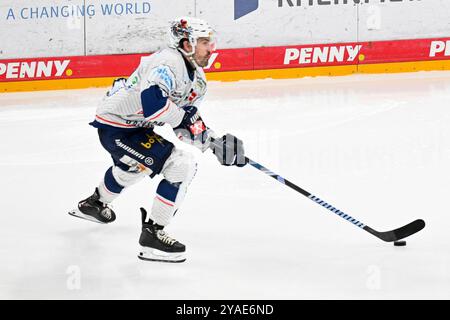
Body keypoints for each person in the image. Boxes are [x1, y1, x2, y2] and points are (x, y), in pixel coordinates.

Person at [69, 17, 246, 263]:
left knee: (134, 167)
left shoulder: (198, 80)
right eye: (205, 42)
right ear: (187, 44)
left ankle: (93, 205)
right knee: (181, 165)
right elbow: (153, 105)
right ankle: (153, 236)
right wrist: (184, 119)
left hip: (134, 127)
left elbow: (185, 123)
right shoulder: (167, 62)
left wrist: (214, 143)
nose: (212, 48)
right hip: (116, 126)